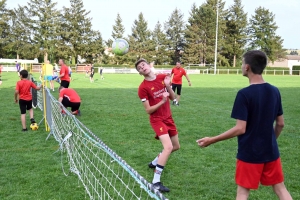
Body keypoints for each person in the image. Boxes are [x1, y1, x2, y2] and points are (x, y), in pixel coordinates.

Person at [196, 50, 292, 200]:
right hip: (271, 151)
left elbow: (240, 128)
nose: (241, 67)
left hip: (249, 153)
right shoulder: (275, 91)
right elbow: (280, 124)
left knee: (242, 192)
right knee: (280, 189)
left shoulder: (244, 94)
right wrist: (269, 141)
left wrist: (211, 139)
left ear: (247, 67)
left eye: (242, 64)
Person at [136, 58, 180, 193]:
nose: (143, 68)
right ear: (139, 73)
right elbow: (148, 110)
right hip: (157, 120)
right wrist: (162, 101)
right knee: (168, 147)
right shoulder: (142, 88)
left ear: (148, 65)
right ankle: (155, 182)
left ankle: (155, 162)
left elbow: (172, 98)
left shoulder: (162, 77)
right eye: (139, 68)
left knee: (176, 146)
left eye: (143, 65)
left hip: (168, 118)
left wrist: (167, 86)